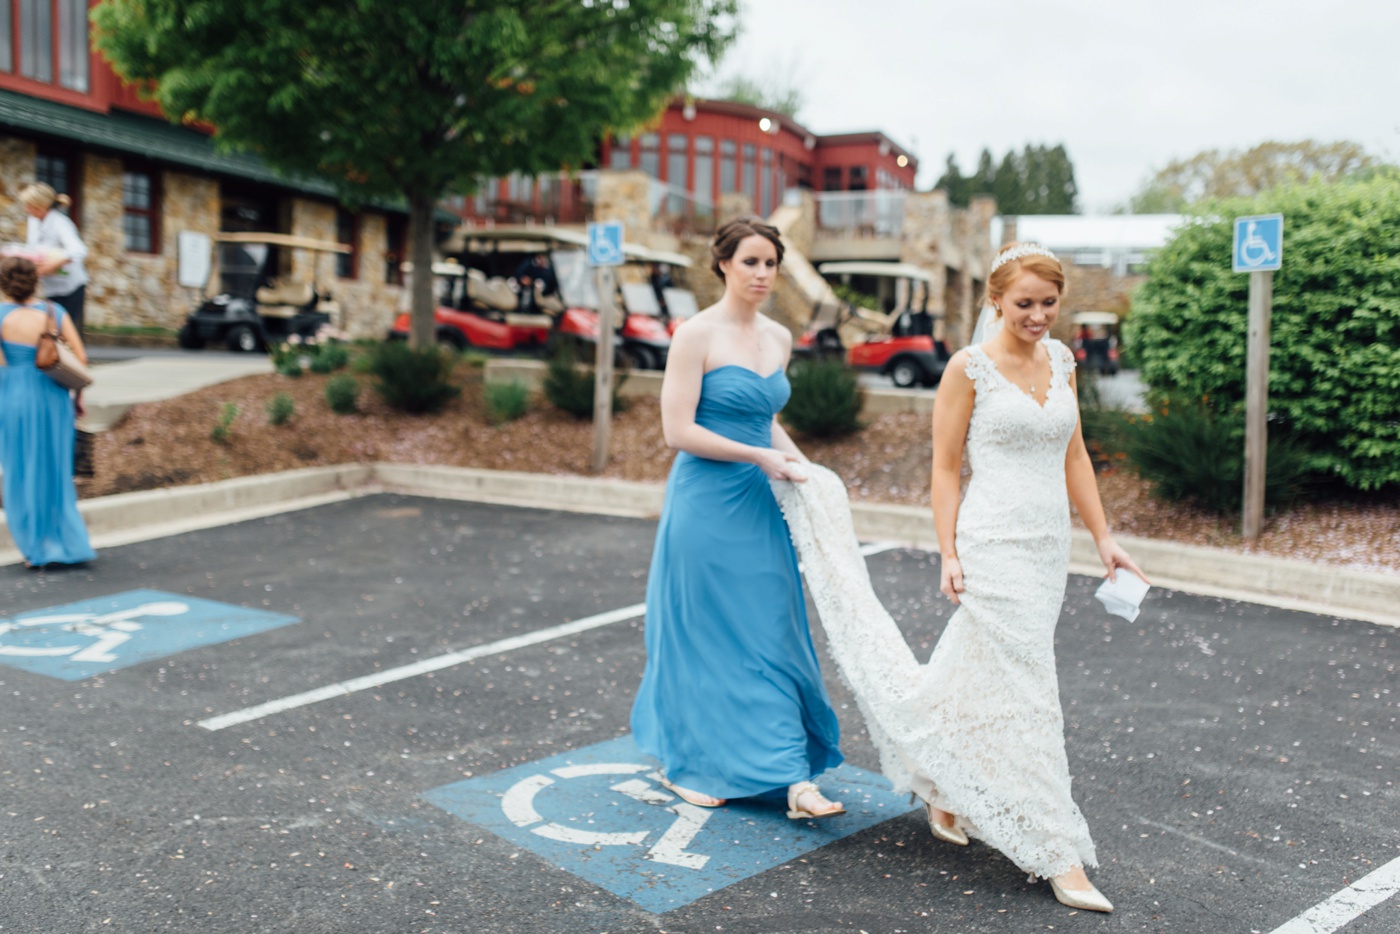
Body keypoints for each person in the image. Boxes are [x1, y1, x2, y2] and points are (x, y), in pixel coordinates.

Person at [918, 242, 1145, 912]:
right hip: (991, 543)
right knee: (1031, 691)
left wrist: (1103, 538)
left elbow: (1074, 453)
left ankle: (938, 785)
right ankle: (1058, 852)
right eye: (1025, 303)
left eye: (1049, 303)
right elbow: (942, 467)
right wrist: (948, 551)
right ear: (996, 301)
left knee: (979, 664)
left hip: (1049, 549)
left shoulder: (1063, 361)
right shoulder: (968, 369)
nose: (1039, 315)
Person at [630, 217, 846, 819]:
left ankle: (787, 773)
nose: (762, 274)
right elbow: (679, 430)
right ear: (723, 263)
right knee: (704, 635)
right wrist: (758, 455)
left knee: (770, 629)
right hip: (704, 501)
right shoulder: (694, 334)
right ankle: (689, 763)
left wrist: (809, 472)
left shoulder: (778, 337)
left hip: (758, 503)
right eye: (750, 261)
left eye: (771, 263)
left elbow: (764, 418)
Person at [0, 256, 95, 568]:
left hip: (15, 399)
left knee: (22, 471)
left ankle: (36, 548)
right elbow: (79, 358)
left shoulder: (1, 317)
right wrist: (77, 397)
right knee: (56, 472)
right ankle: (69, 543)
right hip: (54, 398)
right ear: (35, 282)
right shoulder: (55, 312)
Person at [19, 183, 89, 336]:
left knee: (65, 330)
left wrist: (54, 264)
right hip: (51, 286)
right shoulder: (33, 222)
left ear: (42, 205)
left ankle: (73, 358)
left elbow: (78, 250)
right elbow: (33, 248)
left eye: (30, 205)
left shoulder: (60, 223)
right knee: (51, 330)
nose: (27, 209)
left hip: (71, 287)